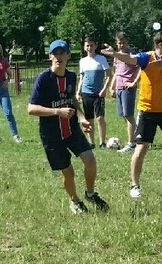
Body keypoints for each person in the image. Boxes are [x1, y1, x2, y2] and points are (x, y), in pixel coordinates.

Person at [104, 31, 162, 197]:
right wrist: (114, 54)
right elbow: (130, 59)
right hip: (147, 110)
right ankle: (134, 186)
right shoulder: (146, 57)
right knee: (141, 147)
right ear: (160, 45)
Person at [27, 39, 109, 213]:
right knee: (68, 172)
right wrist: (57, 112)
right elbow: (31, 109)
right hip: (52, 134)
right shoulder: (43, 79)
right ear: (50, 56)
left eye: (62, 53)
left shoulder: (71, 76)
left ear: (68, 56)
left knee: (90, 160)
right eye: (55, 53)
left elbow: (71, 99)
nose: (59, 57)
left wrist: (81, 117)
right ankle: (75, 201)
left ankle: (90, 193)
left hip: (71, 129)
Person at [76, 36, 111, 148]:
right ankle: (91, 142)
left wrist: (104, 89)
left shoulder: (101, 59)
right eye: (87, 45)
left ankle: (102, 142)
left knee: (100, 118)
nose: (89, 47)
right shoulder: (82, 61)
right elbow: (82, 78)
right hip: (86, 93)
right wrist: (78, 92)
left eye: (91, 45)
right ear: (84, 47)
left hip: (98, 94)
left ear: (95, 46)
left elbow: (109, 75)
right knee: (89, 118)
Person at [109, 31, 139, 153]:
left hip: (128, 88)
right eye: (119, 43)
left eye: (123, 42)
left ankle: (132, 143)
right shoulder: (117, 56)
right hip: (119, 87)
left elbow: (140, 69)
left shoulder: (132, 55)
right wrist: (112, 86)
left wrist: (134, 82)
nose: (121, 45)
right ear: (116, 43)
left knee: (129, 115)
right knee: (123, 115)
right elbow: (116, 72)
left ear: (127, 42)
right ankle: (136, 137)